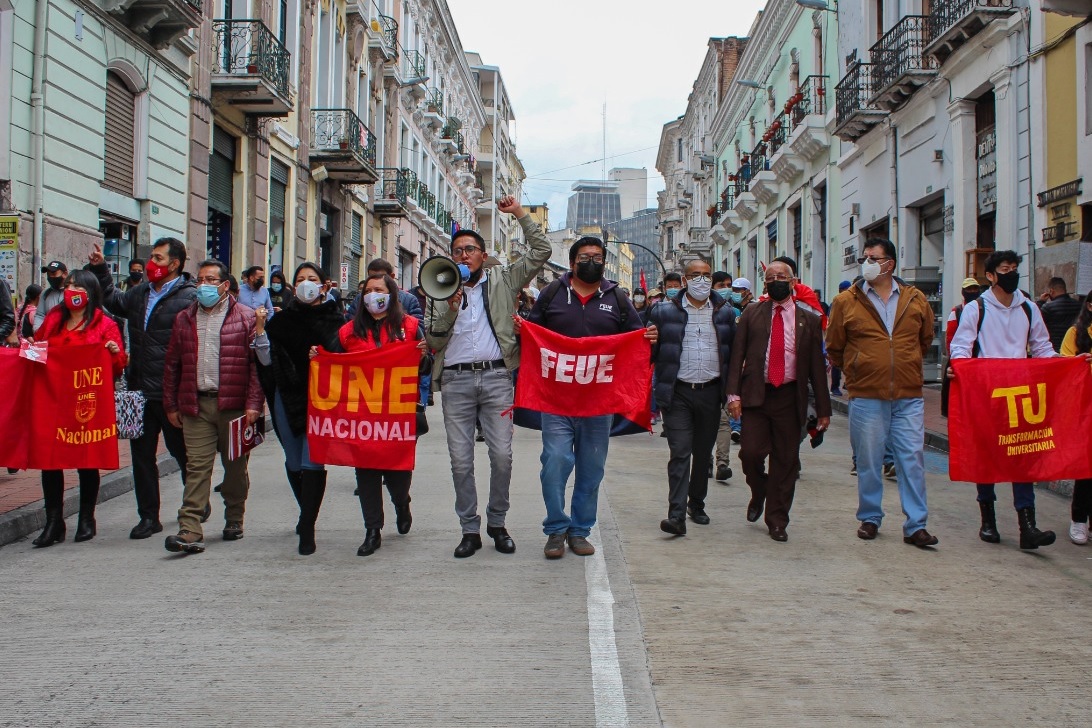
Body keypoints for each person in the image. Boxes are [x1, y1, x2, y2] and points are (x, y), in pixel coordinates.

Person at [425, 195, 550, 558]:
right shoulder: (439, 288)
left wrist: (520, 214)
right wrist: (448, 312)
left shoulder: (504, 279)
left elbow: (540, 251)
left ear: (482, 255)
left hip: (497, 379)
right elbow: (432, 340)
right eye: (458, 250)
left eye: (470, 249)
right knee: (461, 460)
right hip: (456, 381)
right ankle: (469, 529)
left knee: (501, 456)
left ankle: (497, 522)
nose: (464, 255)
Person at [521, 236, 654, 559]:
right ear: (572, 263)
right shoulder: (553, 293)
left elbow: (635, 339)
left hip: (599, 403)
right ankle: (555, 529)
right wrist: (522, 330)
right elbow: (533, 334)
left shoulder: (617, 297)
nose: (590, 262)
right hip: (557, 400)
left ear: (604, 263)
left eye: (596, 257)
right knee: (555, 462)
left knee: (591, 469)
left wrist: (648, 338)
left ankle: (579, 531)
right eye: (584, 257)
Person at [826, 238, 938, 548]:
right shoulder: (846, 301)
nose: (867, 263)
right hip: (866, 395)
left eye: (873, 258)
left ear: (889, 263)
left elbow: (925, 339)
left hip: (907, 394)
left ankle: (916, 524)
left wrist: (904, 363)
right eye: (865, 257)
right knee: (869, 460)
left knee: (912, 459)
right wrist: (858, 367)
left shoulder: (915, 299)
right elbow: (835, 346)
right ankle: (870, 517)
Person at [949, 250, 1060, 549]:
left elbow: (1042, 347)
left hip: (1021, 393)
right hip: (988, 393)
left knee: (1022, 456)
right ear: (991, 275)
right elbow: (961, 347)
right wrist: (961, 371)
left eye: (1014, 268)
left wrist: (1068, 364)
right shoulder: (977, 308)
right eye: (1005, 268)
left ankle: (1028, 526)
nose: (1011, 273)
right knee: (987, 455)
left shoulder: (1028, 308)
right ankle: (988, 519)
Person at [90, 238, 197, 539]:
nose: (152, 264)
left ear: (174, 264)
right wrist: (100, 269)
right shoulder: (139, 293)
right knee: (141, 456)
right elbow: (112, 300)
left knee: (181, 452)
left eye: (158, 258)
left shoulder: (189, 297)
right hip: (138, 390)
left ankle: (194, 503)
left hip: (169, 392)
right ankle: (148, 517)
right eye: (152, 257)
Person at [161, 259, 263, 554]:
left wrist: (254, 404)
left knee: (235, 468)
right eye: (200, 280)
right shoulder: (184, 318)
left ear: (224, 285)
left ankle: (234, 517)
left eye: (210, 280)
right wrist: (171, 403)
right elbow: (172, 364)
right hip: (196, 405)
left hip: (235, 407)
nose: (203, 285)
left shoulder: (245, 317)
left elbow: (256, 367)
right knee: (197, 467)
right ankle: (190, 528)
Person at [726, 261, 830, 542]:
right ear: (765, 284)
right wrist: (733, 395)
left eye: (781, 277)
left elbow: (817, 368)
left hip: (789, 396)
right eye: (770, 278)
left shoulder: (808, 319)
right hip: (756, 396)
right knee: (750, 454)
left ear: (793, 281)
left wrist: (823, 409)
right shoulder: (752, 313)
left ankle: (777, 520)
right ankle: (759, 490)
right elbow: (737, 355)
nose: (775, 281)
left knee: (786, 462)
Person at [328, 272, 430, 557]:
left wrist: (423, 357)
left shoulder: (410, 327)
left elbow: (425, 367)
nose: (373, 295)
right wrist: (318, 358)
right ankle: (372, 529)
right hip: (363, 416)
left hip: (398, 414)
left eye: (379, 289)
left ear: (392, 295)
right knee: (367, 473)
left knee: (398, 474)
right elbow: (332, 364)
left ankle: (402, 502)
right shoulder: (348, 332)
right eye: (368, 290)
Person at [30, 270, 127, 546]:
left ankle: (86, 519)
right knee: (50, 462)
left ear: (90, 291)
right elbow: (38, 348)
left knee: (87, 460)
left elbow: (118, 367)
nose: (71, 290)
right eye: (69, 286)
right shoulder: (52, 321)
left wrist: (112, 353)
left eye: (77, 286)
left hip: (86, 403)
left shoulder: (105, 324)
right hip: (54, 401)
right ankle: (54, 522)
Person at [261, 262, 344, 555]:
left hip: (324, 402)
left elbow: (349, 359)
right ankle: (304, 511)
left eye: (312, 279)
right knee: (294, 461)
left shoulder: (339, 322)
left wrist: (325, 355)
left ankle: (307, 527)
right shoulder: (279, 323)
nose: (306, 284)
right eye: (300, 279)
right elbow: (266, 363)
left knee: (313, 462)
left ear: (324, 286)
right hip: (288, 398)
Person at [650, 258, 736, 536]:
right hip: (677, 393)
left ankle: (696, 504)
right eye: (695, 275)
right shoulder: (663, 311)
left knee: (702, 454)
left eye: (706, 275)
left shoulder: (725, 312)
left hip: (710, 392)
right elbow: (648, 351)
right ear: (685, 280)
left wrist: (733, 393)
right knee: (680, 452)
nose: (701, 280)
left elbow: (733, 354)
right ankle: (676, 515)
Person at [1060, 289, 1092, 544]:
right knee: (1086, 466)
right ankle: (1079, 519)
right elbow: (1064, 366)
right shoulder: (1076, 334)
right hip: (1084, 409)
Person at [711, 271, 739, 481]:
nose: (726, 288)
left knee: (723, 423)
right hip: (702, 378)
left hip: (725, 377)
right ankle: (704, 462)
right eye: (721, 285)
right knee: (703, 425)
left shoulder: (735, 312)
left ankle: (722, 463)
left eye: (728, 284)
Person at [939, 277, 982, 417]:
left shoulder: (983, 309)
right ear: (963, 291)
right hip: (962, 354)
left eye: (975, 288)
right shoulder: (956, 311)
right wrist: (955, 359)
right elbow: (950, 336)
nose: (972, 291)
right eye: (969, 289)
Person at [1039, 276, 1081, 352]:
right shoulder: (1078, 305)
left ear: (1051, 291)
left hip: (1054, 349)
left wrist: (1040, 302)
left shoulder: (1047, 307)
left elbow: (1036, 323)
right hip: (1073, 347)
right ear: (1065, 290)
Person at [829, 279, 853, 396]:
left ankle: (847, 383)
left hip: (849, 339)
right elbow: (833, 325)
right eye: (847, 289)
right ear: (841, 290)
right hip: (840, 339)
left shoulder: (852, 302)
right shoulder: (837, 302)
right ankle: (834, 387)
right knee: (837, 364)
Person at [33, 260, 67, 330]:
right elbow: (40, 315)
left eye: (54, 274)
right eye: (48, 275)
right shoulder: (45, 294)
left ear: (65, 274)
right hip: (49, 336)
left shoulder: (72, 293)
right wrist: (37, 330)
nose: (51, 277)